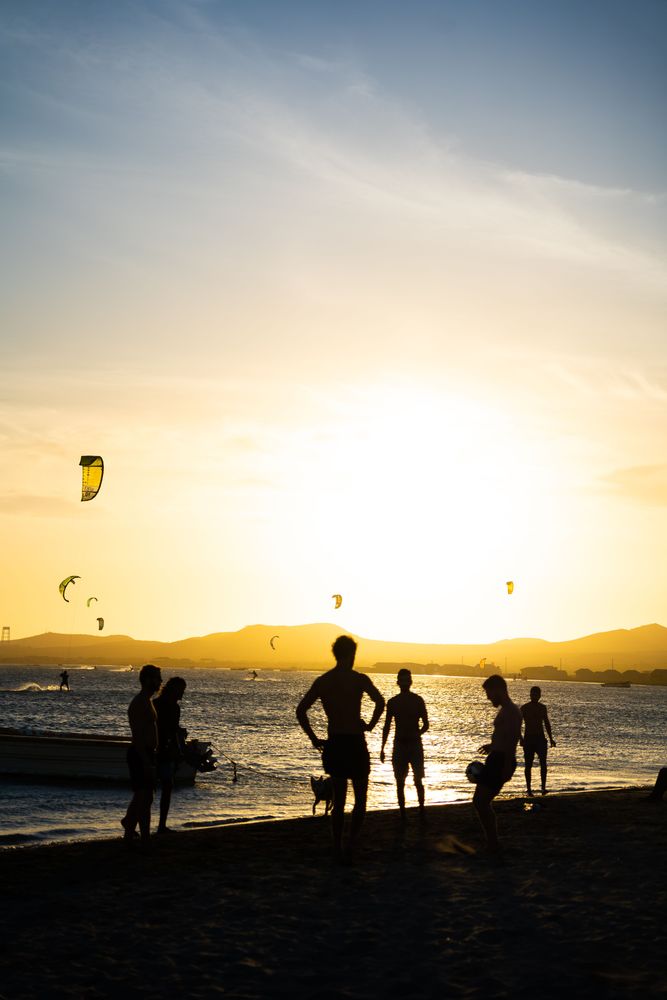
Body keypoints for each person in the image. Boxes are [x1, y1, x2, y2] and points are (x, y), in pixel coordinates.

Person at [296, 635, 385, 861]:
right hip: (354, 742)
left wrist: (314, 738)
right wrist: (371, 725)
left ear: (336, 655)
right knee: (360, 799)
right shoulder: (359, 679)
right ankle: (350, 845)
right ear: (351, 655)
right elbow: (380, 701)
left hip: (335, 742)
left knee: (339, 801)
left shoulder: (323, 681)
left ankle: (337, 847)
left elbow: (301, 711)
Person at [473, 674, 522, 855]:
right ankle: (492, 843)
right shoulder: (506, 710)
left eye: (488, 693)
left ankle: (493, 844)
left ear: (498, 689)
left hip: (501, 760)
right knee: (481, 802)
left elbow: (513, 739)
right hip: (497, 757)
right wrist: (492, 746)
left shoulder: (511, 711)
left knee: (480, 801)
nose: (487, 697)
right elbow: (504, 737)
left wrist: (507, 765)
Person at [121, 663, 162, 846]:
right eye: (157, 678)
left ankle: (134, 830)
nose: (160, 682)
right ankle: (139, 833)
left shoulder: (148, 701)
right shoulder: (139, 703)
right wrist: (146, 761)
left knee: (145, 796)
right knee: (144, 796)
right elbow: (137, 735)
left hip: (147, 753)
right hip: (140, 754)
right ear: (147, 680)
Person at [380, 668, 429, 818]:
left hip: (414, 745)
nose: (405, 683)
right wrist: (382, 748)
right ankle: (402, 813)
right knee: (399, 781)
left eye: (407, 680)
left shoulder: (418, 700)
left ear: (411, 682)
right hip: (400, 745)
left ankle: (421, 809)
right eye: (402, 680)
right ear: (398, 682)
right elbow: (387, 726)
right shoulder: (392, 702)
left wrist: (416, 734)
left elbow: (426, 724)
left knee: (418, 779)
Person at [154, 676, 187, 834]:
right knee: (162, 788)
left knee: (163, 787)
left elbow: (172, 730)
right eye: (181, 690)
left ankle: (160, 825)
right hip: (159, 752)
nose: (182, 694)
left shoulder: (157, 704)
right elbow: (172, 731)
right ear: (174, 690)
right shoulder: (169, 707)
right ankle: (160, 825)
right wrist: (179, 750)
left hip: (161, 751)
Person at [520, 686, 556, 796]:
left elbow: (546, 723)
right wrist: (520, 738)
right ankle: (529, 789)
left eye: (536, 694)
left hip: (540, 738)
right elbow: (517, 724)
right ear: (530, 695)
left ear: (539, 696)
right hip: (528, 739)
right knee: (528, 765)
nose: (534, 696)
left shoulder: (542, 708)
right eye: (532, 694)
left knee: (543, 764)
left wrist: (551, 739)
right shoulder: (524, 708)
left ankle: (543, 788)